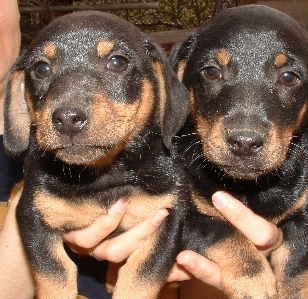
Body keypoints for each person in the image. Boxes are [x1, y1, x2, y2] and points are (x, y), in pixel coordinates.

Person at [0, 1, 283, 298]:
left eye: (117, 63)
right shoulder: (40, 178)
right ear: (22, 98)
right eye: (42, 69)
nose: (69, 113)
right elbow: (37, 218)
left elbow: (189, 261)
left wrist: (214, 262)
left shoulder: (178, 157)